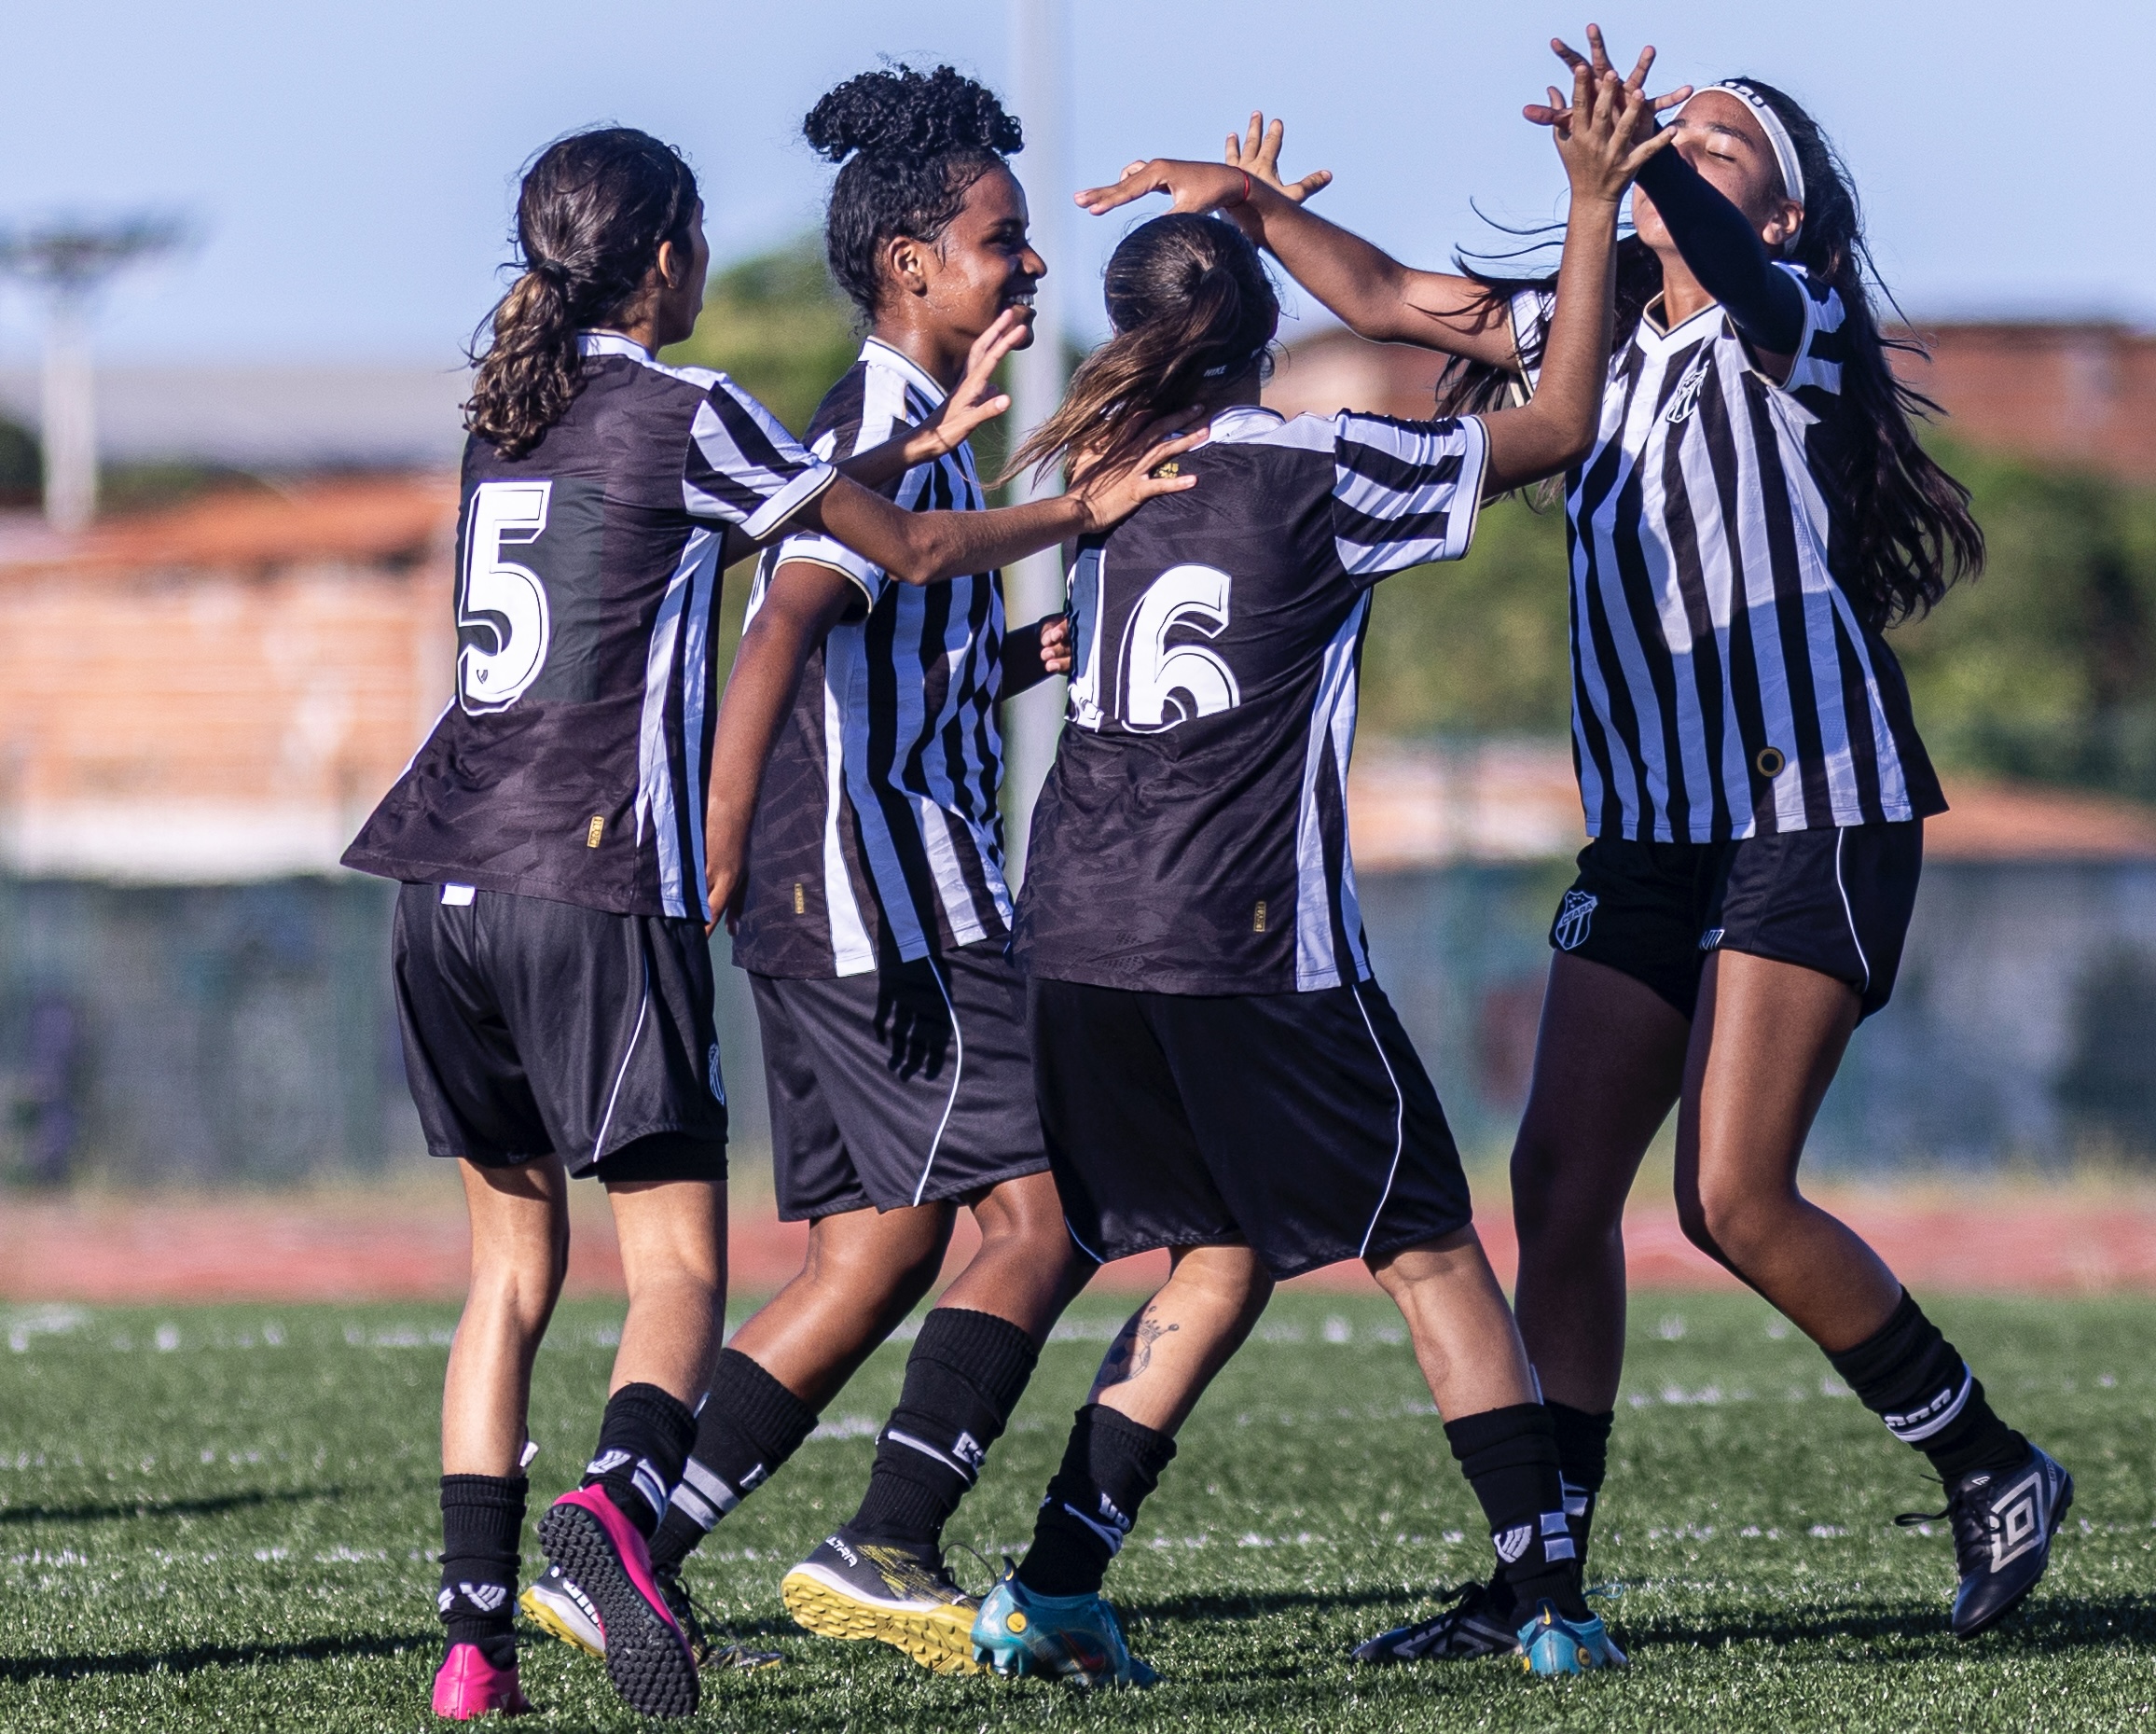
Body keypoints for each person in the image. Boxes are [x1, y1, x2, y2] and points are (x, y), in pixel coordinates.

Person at [1084, 24, 2070, 1655]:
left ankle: (1987, 1460)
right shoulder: (1588, 338)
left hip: (1805, 802)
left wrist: (1637, 163)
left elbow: (1741, 283)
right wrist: (1249, 213)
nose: (1676, 145)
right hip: (1654, 829)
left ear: (1775, 218)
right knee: (1553, 1186)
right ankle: (1542, 1578)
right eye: (1667, 129)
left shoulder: (1790, 324)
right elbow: (1400, 298)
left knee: (1735, 1198)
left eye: (1718, 145)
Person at [342, 123, 1195, 1722]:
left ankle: (472, 1653)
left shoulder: (503, 427)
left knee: (510, 1276)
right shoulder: (691, 408)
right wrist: (1088, 510)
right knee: (681, 1261)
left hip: (432, 875)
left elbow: (805, 526)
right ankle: (630, 1523)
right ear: (665, 257)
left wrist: (932, 455)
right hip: (595, 875)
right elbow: (891, 558)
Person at [959, 62, 1665, 1690]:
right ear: (1260, 327)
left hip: (1074, 932)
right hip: (1244, 941)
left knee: (1216, 1248)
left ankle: (1057, 1583)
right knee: (1427, 1247)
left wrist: (1249, 230)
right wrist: (1581, 205)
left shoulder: (1101, 472)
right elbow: (1558, 424)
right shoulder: (1318, 461)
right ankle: (1546, 1593)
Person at [518, 62, 1122, 1682]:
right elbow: (783, 624)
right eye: (1005, 239)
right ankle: (887, 1545)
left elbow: (866, 654)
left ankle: (626, 1536)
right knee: (1050, 1213)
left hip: (841, 893)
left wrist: (995, 667)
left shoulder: (926, 437)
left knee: (875, 1251)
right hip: (882, 900)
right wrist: (730, 859)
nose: (1033, 263)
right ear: (913, 264)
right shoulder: (873, 434)